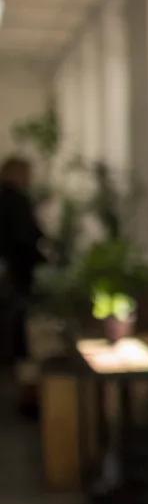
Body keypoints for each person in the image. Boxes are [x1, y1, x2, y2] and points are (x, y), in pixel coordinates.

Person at [0, 156, 45, 365]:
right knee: (13, 318)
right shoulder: (17, 200)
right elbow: (25, 236)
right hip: (16, 270)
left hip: (10, 268)